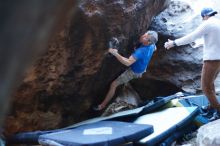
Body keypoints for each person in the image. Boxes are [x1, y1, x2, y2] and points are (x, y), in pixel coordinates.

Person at [164, 8, 220, 112]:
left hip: (211, 60)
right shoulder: (218, 22)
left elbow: (192, 37)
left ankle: (218, 110)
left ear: (204, 16)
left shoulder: (208, 23)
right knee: (211, 84)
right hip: (218, 60)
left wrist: (174, 43)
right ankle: (211, 106)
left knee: (205, 87)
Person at [93, 30, 158, 111]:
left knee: (113, 85)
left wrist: (115, 53)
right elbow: (155, 48)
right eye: (145, 34)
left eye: (145, 37)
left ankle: (102, 106)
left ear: (148, 42)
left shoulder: (140, 52)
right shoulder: (152, 46)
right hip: (142, 68)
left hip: (134, 72)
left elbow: (127, 63)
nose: (142, 36)